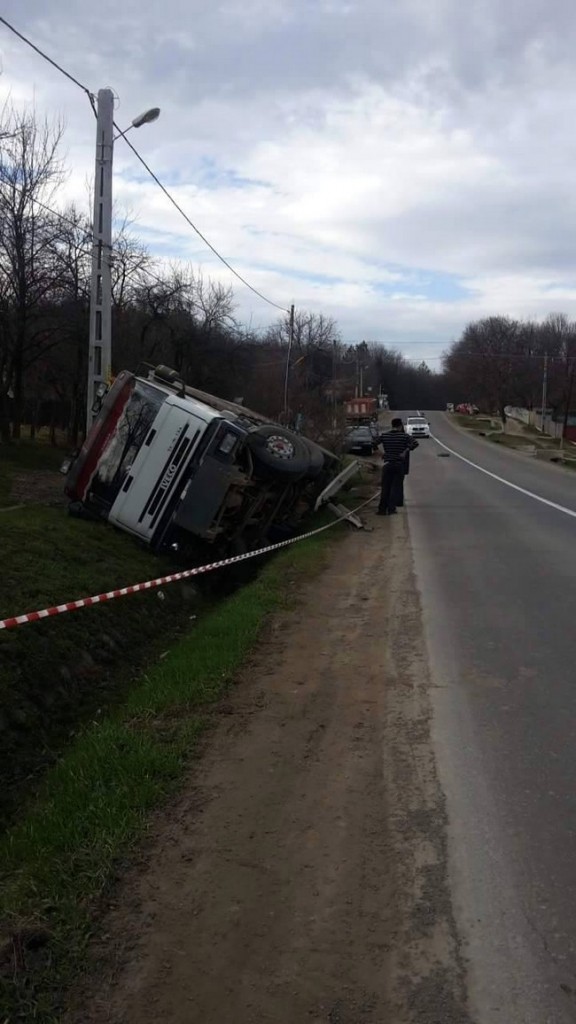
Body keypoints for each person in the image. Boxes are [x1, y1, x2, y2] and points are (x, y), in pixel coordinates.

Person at [377, 417, 419, 516]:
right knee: (395, 488)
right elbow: (415, 443)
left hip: (387, 465)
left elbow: (373, 443)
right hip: (399, 465)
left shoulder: (385, 435)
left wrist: (381, 452)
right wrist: (406, 451)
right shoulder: (404, 436)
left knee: (385, 488)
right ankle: (391, 509)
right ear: (400, 426)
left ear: (392, 425)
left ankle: (382, 510)